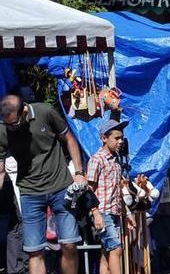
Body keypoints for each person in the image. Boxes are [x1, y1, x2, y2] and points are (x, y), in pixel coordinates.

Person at [0, 94, 87, 274]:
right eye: (7, 124)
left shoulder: (45, 111)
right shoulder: (4, 129)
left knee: (69, 244)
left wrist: (79, 173)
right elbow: (0, 169)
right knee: (34, 251)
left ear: (24, 110)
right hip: (30, 192)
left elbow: (69, 139)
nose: (11, 128)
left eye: (14, 123)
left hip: (60, 186)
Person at [87, 119, 134, 274]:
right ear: (104, 138)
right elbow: (89, 190)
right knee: (116, 249)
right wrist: (96, 214)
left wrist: (127, 213)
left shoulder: (116, 161)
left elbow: (118, 191)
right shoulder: (97, 159)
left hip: (114, 212)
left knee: (106, 254)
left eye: (122, 138)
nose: (120, 141)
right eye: (116, 138)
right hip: (102, 211)